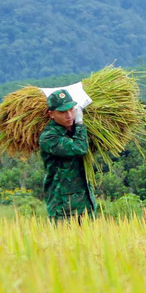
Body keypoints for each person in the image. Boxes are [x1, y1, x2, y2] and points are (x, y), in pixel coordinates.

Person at [39, 88, 97, 221]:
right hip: (63, 209)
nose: (69, 115)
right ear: (51, 114)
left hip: (86, 205)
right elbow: (80, 148)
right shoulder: (49, 137)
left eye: (71, 109)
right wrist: (80, 124)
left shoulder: (74, 131)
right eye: (62, 112)